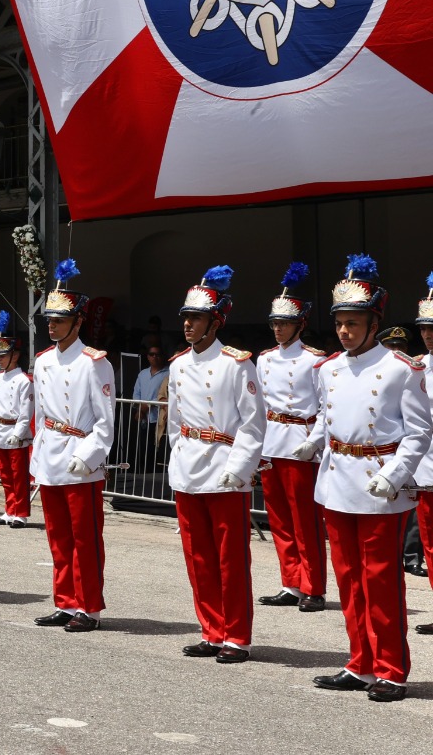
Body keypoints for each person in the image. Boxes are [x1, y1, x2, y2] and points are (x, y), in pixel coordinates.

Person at [309, 255, 431, 702]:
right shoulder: (328, 369)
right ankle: (359, 663)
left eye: (354, 322)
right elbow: (328, 418)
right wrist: (314, 441)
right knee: (348, 580)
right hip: (338, 479)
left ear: (373, 322)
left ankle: (392, 669)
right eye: (340, 322)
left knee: (381, 580)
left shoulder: (402, 368)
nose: (344, 331)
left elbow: (419, 432)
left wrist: (396, 473)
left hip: (380, 486)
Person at [167, 266, 265, 665]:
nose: (188, 325)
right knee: (199, 557)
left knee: (231, 559)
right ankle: (211, 630)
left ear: (215, 321)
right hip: (190, 467)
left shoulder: (237, 364)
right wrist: (178, 460)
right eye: (186, 318)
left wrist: (240, 468)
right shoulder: (177, 365)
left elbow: (252, 423)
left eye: (196, 318)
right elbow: (174, 422)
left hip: (225, 468)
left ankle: (236, 635)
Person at [30, 259, 115, 633]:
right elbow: (40, 413)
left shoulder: (94, 363)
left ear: (77, 322)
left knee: (85, 538)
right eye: (49, 319)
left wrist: (89, 455)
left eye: (60, 320)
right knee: (59, 537)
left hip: (81, 457)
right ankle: (65, 602)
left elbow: (105, 421)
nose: (52, 325)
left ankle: (89, 607)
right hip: (50, 456)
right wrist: (36, 455)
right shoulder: (44, 361)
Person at [256, 262, 329, 612]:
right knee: (280, 518)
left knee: (306, 519)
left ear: (299, 325)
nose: (278, 329)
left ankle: (313, 586)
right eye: (274, 323)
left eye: (284, 323)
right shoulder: (264, 359)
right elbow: (258, 407)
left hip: (301, 441)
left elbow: (326, 408)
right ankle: (291, 582)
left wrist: (314, 440)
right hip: (272, 440)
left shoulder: (315, 361)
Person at [0, 310, 34, 528]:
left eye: (3, 356)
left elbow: (26, 412)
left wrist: (18, 433)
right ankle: (9, 509)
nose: (0, 360)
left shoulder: (24, 381)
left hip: (16, 429)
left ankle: (21, 512)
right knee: (5, 476)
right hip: (0, 428)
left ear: (15, 356)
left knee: (19, 476)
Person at [413, 273, 433, 624]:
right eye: (425, 329)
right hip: (427, 466)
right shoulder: (416, 366)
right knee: (429, 543)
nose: (428, 335)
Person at [132, 341, 171, 473]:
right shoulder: (142, 373)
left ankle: (156, 476)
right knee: (143, 447)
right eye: (151, 354)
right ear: (147, 356)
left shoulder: (169, 373)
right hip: (143, 418)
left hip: (158, 418)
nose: (155, 357)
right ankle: (143, 473)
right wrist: (140, 407)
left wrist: (148, 405)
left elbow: (167, 394)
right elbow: (136, 393)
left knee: (157, 449)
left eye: (158, 354)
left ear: (163, 356)